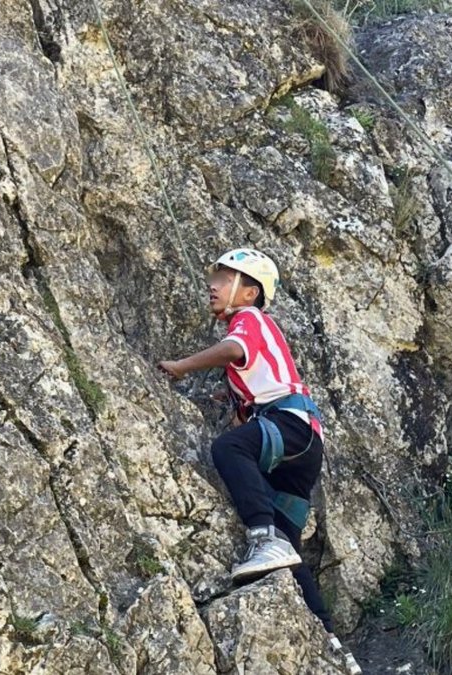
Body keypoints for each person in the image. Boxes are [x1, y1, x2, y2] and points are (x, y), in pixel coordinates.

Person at [157, 248, 332, 631]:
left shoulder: (250, 319)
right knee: (289, 545)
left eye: (221, 280)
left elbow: (234, 350)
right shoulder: (252, 336)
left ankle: (261, 536)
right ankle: (330, 636)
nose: (211, 287)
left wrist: (182, 366)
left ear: (249, 292)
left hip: (291, 425)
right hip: (301, 442)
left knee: (229, 448)